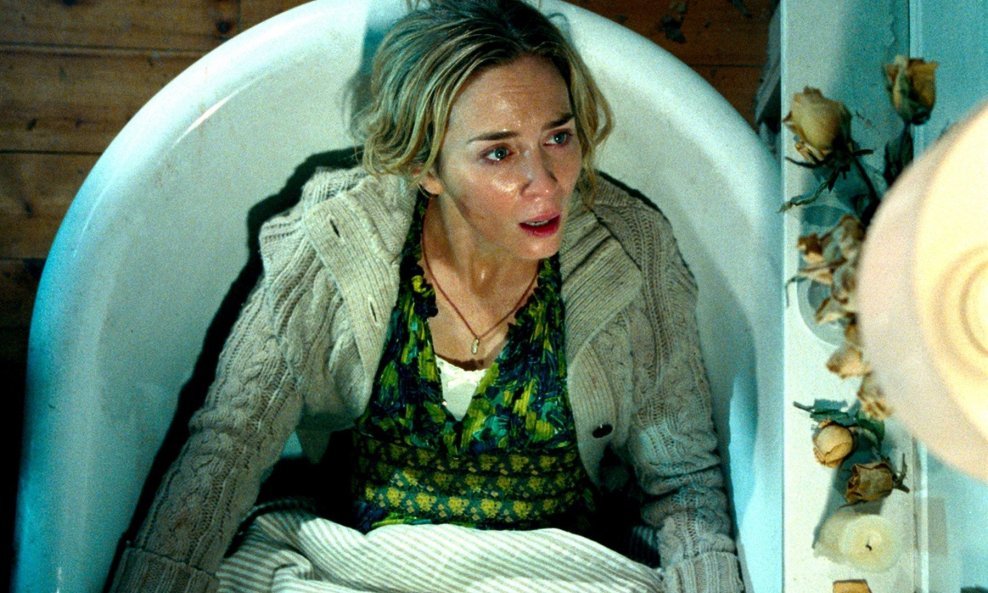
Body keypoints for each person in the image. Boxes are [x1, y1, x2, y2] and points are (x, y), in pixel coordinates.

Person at [108, 1, 743, 592]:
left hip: (559, 573)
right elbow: (229, 446)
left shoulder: (632, 252)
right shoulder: (331, 242)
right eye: (499, 153)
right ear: (425, 167)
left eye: (558, 137)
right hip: (365, 567)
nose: (546, 182)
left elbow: (683, 481)